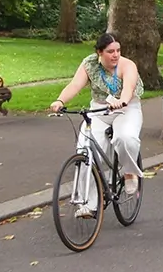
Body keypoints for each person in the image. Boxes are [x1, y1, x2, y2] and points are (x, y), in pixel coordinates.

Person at [48, 33, 144, 219]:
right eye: (110, 51)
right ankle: (89, 204)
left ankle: (129, 173)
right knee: (86, 150)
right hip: (99, 110)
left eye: (118, 50)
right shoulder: (89, 64)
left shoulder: (127, 65)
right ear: (99, 53)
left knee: (125, 138)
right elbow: (75, 85)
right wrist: (60, 100)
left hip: (126, 108)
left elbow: (129, 88)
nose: (115, 55)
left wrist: (121, 101)